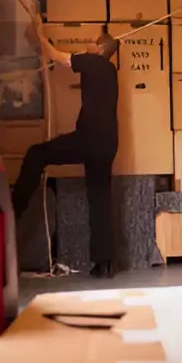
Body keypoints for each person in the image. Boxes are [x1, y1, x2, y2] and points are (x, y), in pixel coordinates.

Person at [12, 18, 120, 278]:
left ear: (99, 48)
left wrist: (39, 32)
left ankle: (12, 211)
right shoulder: (111, 72)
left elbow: (55, 55)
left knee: (37, 154)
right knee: (100, 199)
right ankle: (103, 264)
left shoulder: (93, 61)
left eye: (92, 42)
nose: (87, 44)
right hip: (108, 143)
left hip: (90, 138)